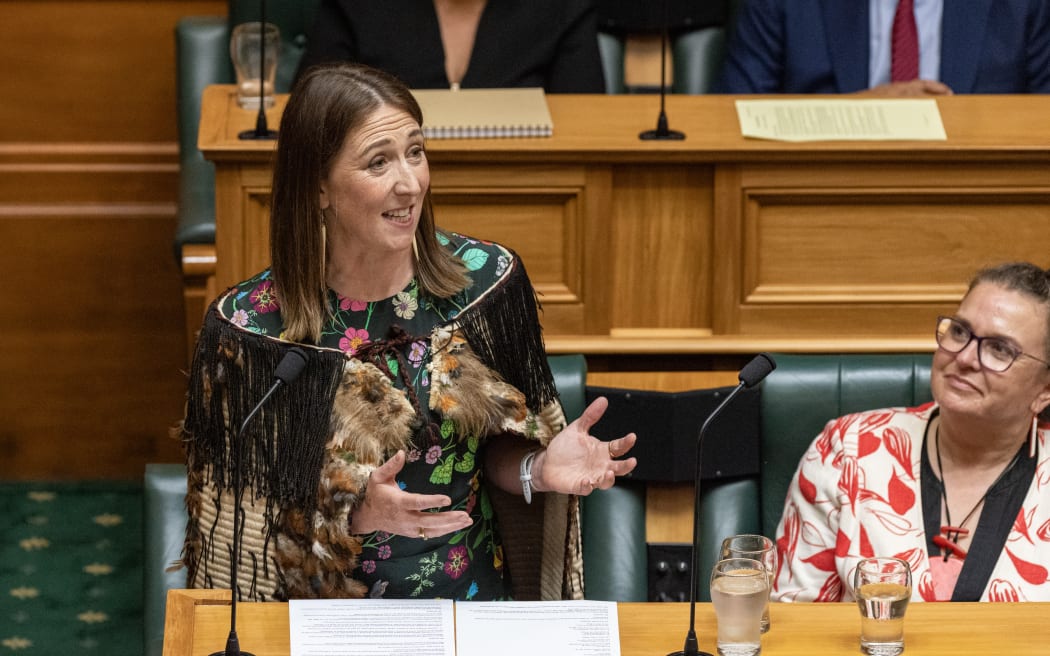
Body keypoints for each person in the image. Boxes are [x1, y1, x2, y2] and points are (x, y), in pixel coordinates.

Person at [177, 62, 636, 602]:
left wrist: (539, 468)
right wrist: (357, 514)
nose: (409, 182)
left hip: (472, 605)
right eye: (378, 162)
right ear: (319, 187)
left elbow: (495, 456)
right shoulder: (251, 331)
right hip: (329, 621)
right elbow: (242, 532)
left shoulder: (484, 287)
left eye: (415, 152)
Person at [774, 262, 1050, 602]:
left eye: (1000, 349)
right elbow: (796, 623)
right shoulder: (848, 451)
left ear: (1045, 389)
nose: (964, 357)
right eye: (960, 332)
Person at [713, 0, 1050, 95]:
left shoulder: (1026, 6)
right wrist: (865, 114)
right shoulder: (783, 5)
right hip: (827, 194)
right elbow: (731, 120)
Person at [294, 0, 607, 93]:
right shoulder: (356, 6)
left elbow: (586, 125)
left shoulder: (562, 6)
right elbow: (312, 111)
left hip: (527, 188)